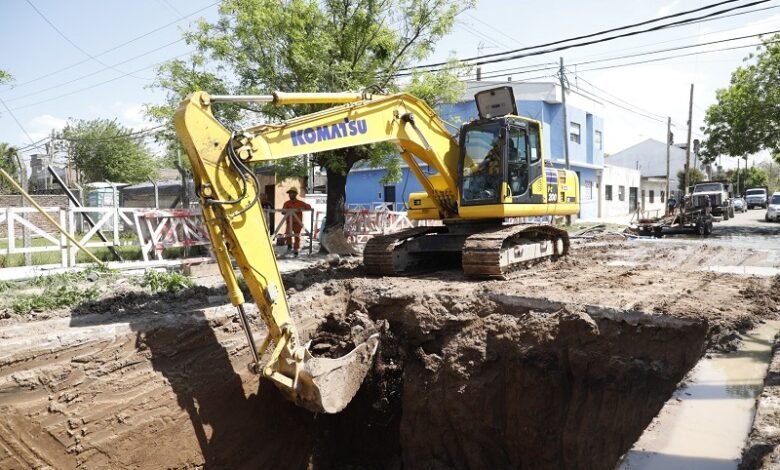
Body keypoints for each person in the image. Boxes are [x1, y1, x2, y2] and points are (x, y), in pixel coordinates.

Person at [282, 187, 311, 257]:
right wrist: (287, 210)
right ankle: (289, 246)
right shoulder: (286, 203)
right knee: (287, 234)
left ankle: (296, 249)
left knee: (297, 236)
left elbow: (309, 207)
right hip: (289, 222)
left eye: (292, 193)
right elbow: (282, 212)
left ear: (295, 194)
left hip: (298, 222)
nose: (290, 195)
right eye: (289, 193)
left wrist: (303, 208)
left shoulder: (300, 203)